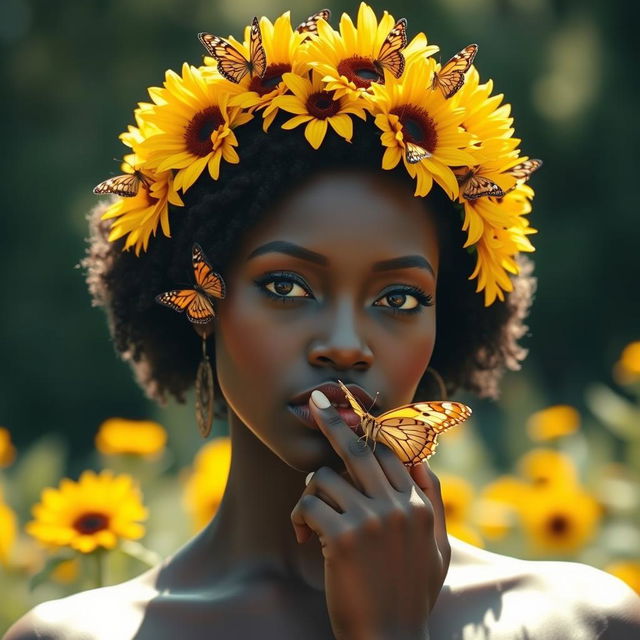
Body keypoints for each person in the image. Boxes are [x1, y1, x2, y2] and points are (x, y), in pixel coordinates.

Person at [5, 5, 639, 639]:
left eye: (399, 299)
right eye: (286, 286)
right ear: (202, 306)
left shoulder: (585, 622)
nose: (344, 345)